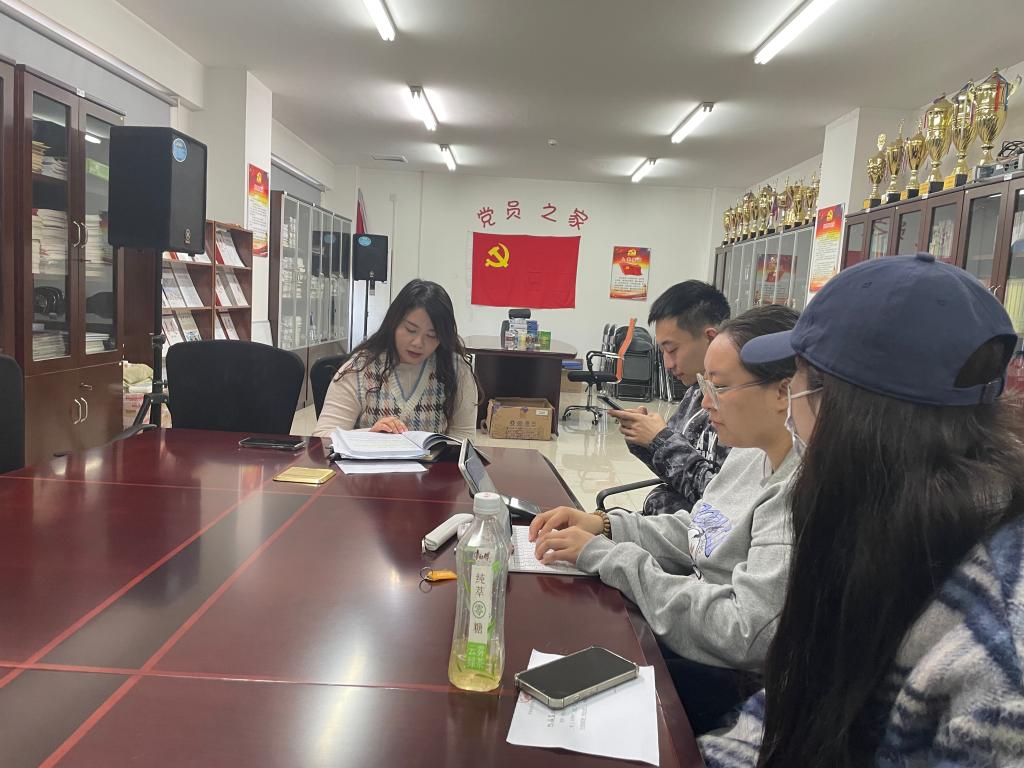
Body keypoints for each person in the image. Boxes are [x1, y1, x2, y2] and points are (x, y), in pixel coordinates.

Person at [699, 254, 1024, 767]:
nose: (790, 408)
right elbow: (796, 701)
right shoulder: (886, 521)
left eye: (796, 384)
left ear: (839, 409)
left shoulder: (998, 655)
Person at [530, 304, 800, 732]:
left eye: (720, 387)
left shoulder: (796, 491)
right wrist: (605, 526)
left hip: (728, 678)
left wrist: (609, 557)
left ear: (782, 392)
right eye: (705, 385)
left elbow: (743, 632)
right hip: (691, 629)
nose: (705, 402)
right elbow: (702, 530)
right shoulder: (752, 452)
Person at [609, 281, 731, 514]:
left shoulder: (740, 407)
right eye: (663, 351)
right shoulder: (695, 392)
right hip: (663, 524)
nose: (667, 363)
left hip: (689, 532)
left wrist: (659, 439)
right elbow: (674, 471)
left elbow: (720, 500)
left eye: (672, 350)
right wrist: (644, 438)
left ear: (710, 338)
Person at [314, 279, 479, 440]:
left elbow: (463, 440)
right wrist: (368, 435)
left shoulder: (456, 370)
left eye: (432, 335)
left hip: (431, 460)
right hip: (372, 459)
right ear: (393, 323)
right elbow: (323, 437)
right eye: (410, 329)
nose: (418, 343)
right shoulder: (361, 369)